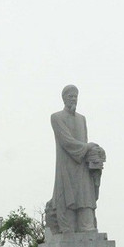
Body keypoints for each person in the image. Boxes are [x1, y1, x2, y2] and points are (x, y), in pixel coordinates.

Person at [46, 84, 106, 234]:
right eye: (70, 96)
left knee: (85, 196)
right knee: (67, 200)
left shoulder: (82, 119)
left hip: (82, 166)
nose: (73, 99)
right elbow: (66, 141)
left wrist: (95, 150)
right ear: (63, 98)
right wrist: (88, 147)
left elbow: (84, 141)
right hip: (66, 165)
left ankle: (86, 226)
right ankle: (66, 227)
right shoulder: (56, 117)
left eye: (75, 96)